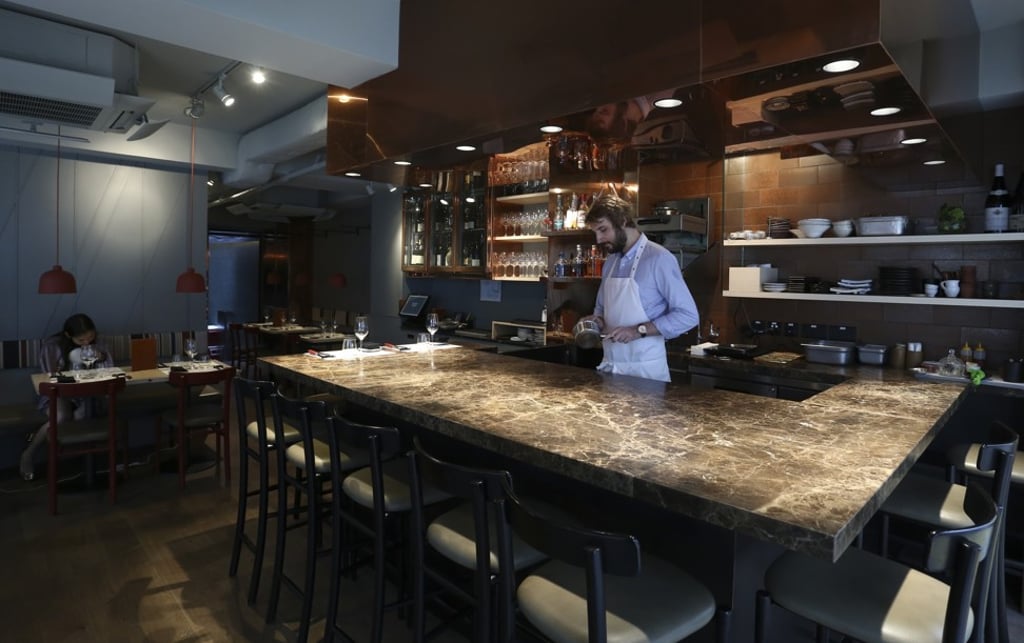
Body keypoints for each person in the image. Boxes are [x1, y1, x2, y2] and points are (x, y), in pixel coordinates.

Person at [581, 195, 698, 382]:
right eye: (595, 232)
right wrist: (597, 322)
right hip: (611, 368)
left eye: (603, 230)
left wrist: (638, 330)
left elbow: (688, 315)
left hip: (646, 373)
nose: (599, 239)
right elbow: (601, 310)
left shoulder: (659, 259)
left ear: (623, 220)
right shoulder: (610, 262)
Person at [20, 313, 114, 481]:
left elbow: (110, 370)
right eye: (81, 340)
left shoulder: (98, 344)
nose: (87, 343)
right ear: (68, 335)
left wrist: (102, 358)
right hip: (58, 393)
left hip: (89, 393)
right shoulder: (52, 346)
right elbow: (49, 377)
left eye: (90, 338)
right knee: (61, 417)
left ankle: (81, 463)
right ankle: (29, 454)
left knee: (83, 414)